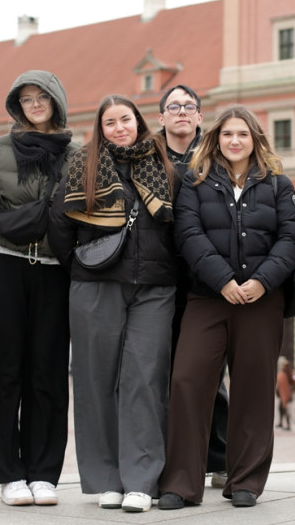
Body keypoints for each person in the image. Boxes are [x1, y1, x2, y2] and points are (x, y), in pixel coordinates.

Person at [157, 105, 295, 510]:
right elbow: (188, 234)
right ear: (215, 138)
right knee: (188, 382)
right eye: (227, 134)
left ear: (256, 138)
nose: (235, 140)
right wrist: (224, 280)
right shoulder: (194, 182)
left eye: (242, 134)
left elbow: (293, 238)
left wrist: (261, 281)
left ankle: (246, 481)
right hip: (208, 298)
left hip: (262, 301)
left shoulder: (277, 183)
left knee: (254, 389)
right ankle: (181, 483)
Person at [49, 94, 178, 514]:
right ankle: (106, 479)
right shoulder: (82, 165)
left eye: (126, 119)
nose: (119, 127)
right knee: (95, 381)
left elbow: (180, 226)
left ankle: (141, 479)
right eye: (110, 122)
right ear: (100, 129)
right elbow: (59, 224)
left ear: (139, 123)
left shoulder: (165, 167)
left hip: (155, 287)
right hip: (96, 283)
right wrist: (82, 268)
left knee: (145, 379)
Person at [0, 70, 75, 507]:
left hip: (55, 271)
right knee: (4, 372)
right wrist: (8, 230)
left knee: (49, 374)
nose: (35, 103)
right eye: (26, 98)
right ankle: (8, 473)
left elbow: (86, 212)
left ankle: (44, 473)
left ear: (56, 100)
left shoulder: (76, 155)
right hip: (6, 268)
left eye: (42, 96)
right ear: (17, 105)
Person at [158, 84, 229, 490]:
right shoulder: (148, 156)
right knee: (165, 371)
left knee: (208, 372)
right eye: (174, 107)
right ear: (162, 117)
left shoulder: (216, 157)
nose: (182, 112)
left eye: (189, 106)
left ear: (200, 117)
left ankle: (218, 457)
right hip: (157, 276)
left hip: (203, 277)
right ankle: (169, 455)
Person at [276, 356, 295, 431]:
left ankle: (288, 424)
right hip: (283, 393)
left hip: (285, 393)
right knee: (280, 408)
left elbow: (290, 381)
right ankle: (281, 422)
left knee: (285, 408)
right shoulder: (283, 372)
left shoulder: (284, 372)